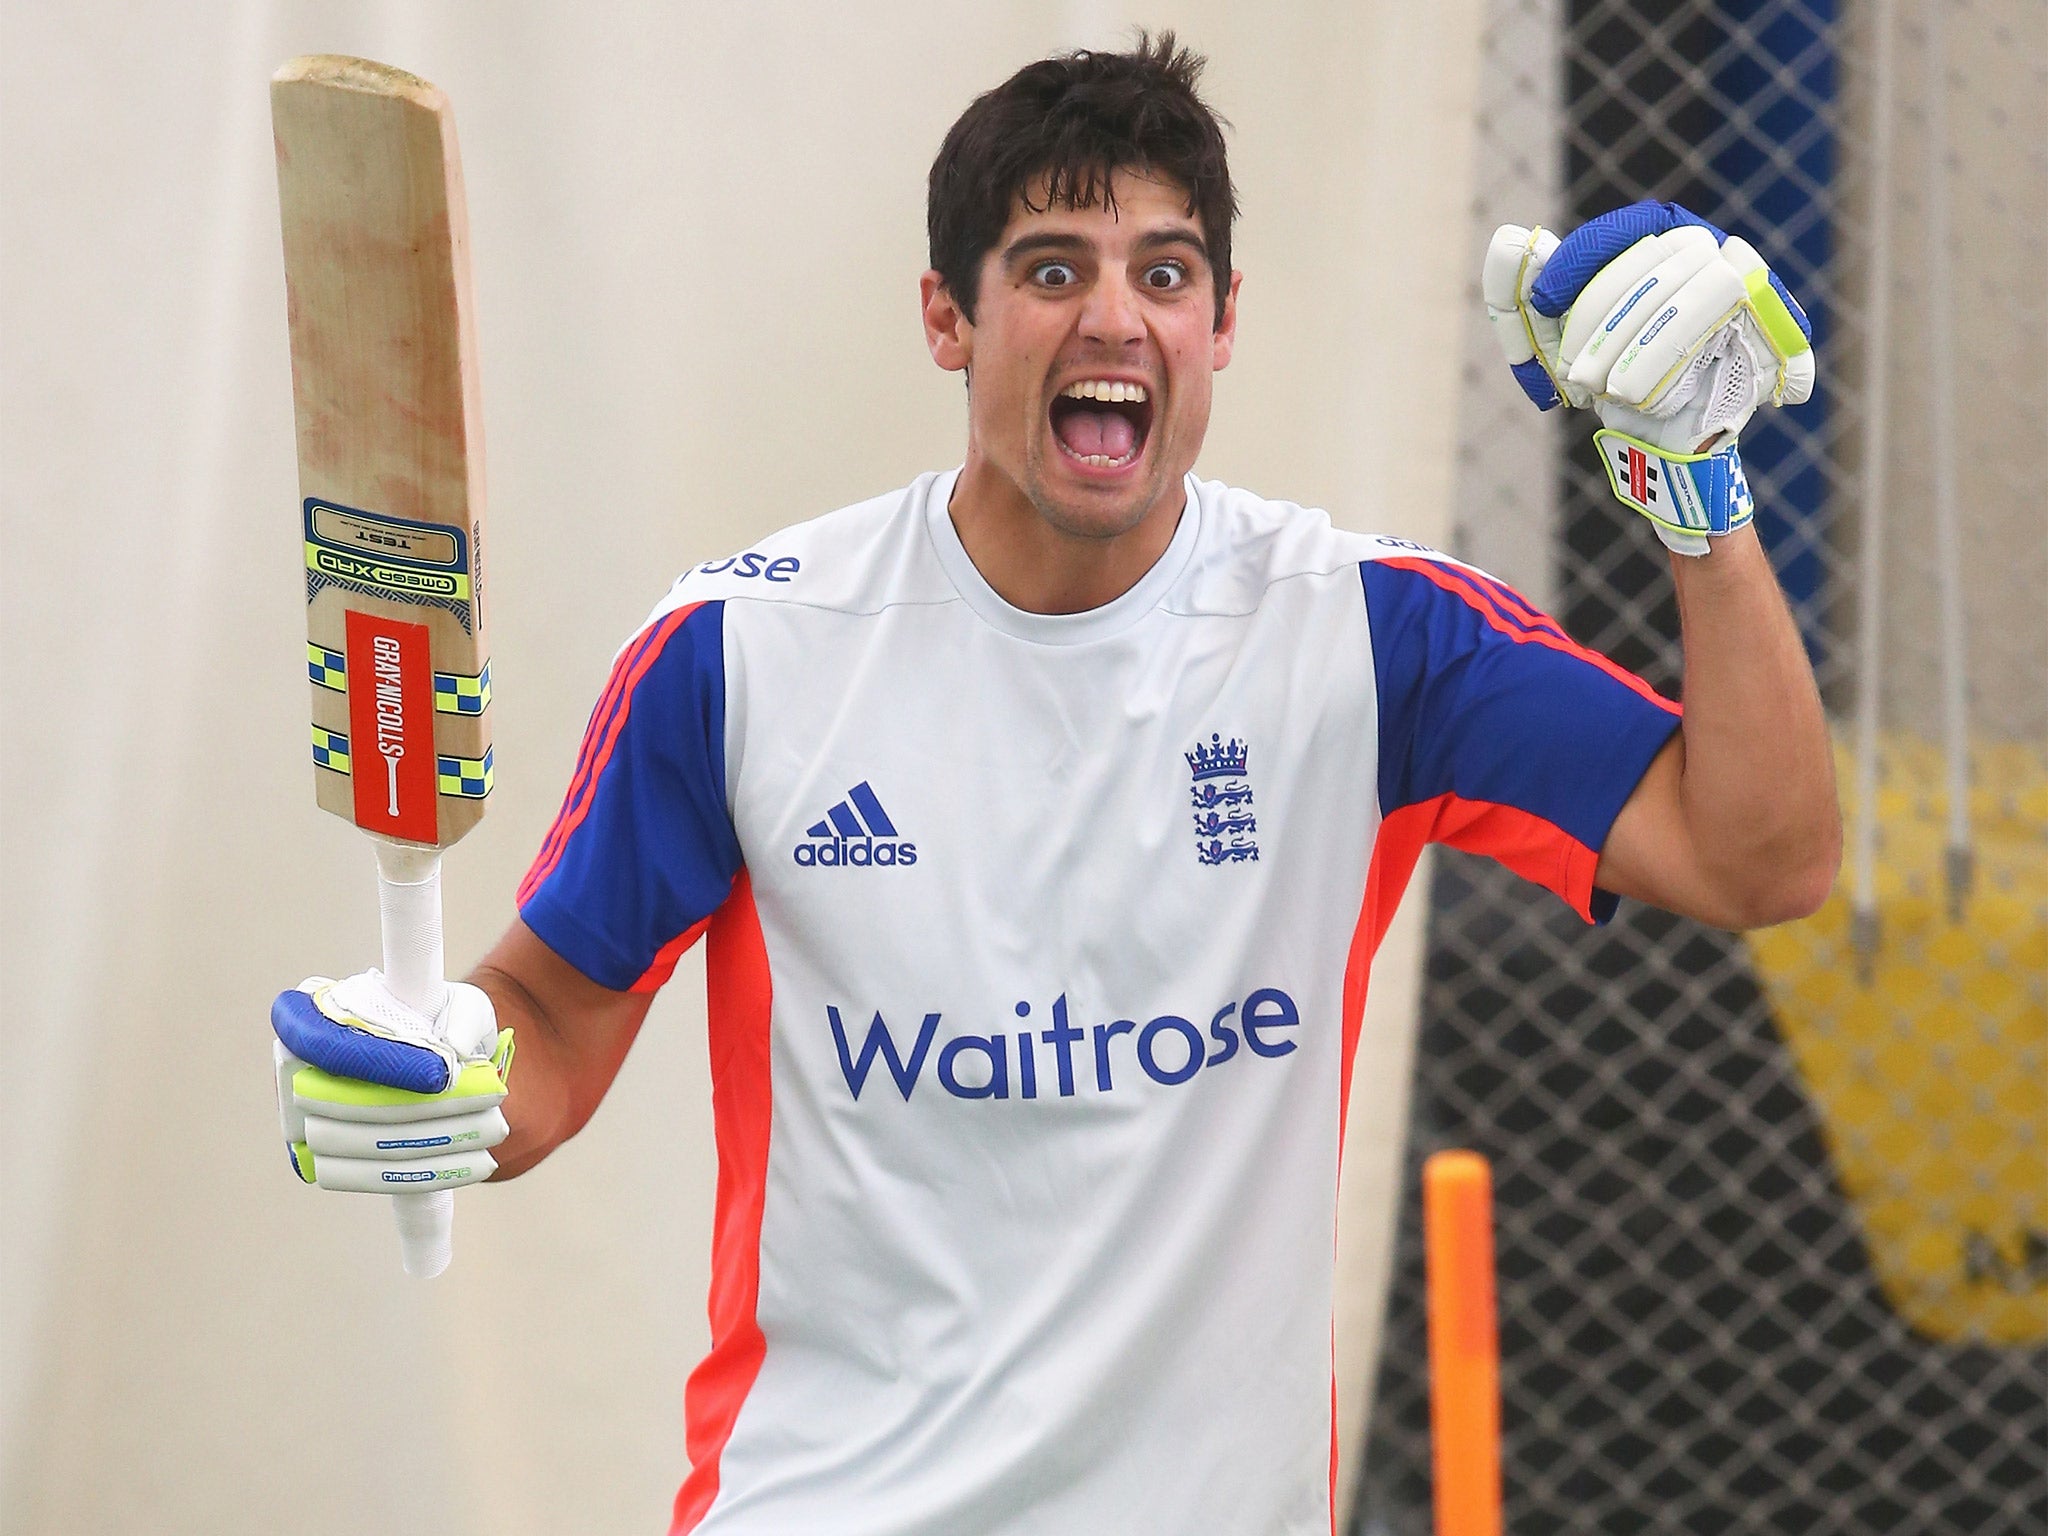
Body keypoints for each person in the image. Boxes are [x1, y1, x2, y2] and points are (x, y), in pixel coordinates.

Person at [271, 33, 1839, 1536]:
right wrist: (445, 1073)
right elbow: (548, 1021)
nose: (1114, 318)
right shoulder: (738, 652)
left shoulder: (1376, 637)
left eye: (1164, 272)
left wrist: (1700, 497)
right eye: (1049, 270)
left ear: (1224, 321)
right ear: (948, 320)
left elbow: (1761, 856)